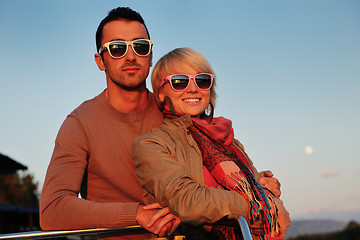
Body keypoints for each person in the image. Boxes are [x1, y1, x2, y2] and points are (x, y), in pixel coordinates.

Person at [40, 6, 283, 239]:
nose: (131, 55)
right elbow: (53, 209)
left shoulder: (175, 109)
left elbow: (211, 170)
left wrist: (254, 182)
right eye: (117, 48)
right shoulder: (80, 123)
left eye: (140, 46)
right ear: (100, 60)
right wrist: (134, 214)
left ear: (151, 56)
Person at [132, 47, 290, 239]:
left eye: (202, 80)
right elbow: (187, 200)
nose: (193, 88)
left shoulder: (229, 142)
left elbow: (263, 193)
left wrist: (268, 194)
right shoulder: (151, 144)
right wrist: (263, 203)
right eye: (179, 82)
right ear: (160, 94)